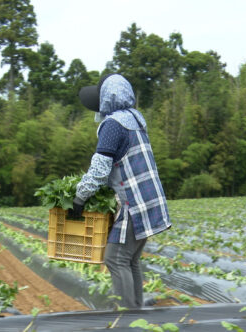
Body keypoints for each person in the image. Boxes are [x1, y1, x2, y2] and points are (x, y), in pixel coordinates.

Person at [69, 73, 171, 308]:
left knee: (115, 259)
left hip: (133, 202)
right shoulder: (135, 120)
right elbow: (118, 164)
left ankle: (125, 318)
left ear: (108, 98)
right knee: (130, 260)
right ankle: (135, 313)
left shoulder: (113, 125)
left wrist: (80, 196)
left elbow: (100, 167)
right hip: (148, 199)